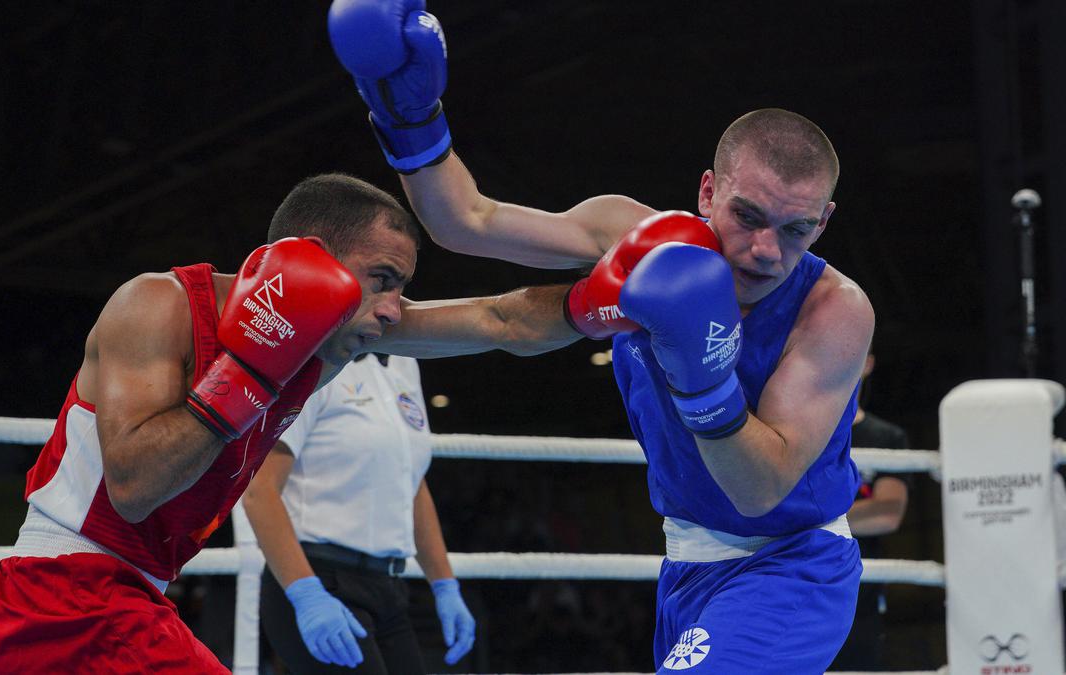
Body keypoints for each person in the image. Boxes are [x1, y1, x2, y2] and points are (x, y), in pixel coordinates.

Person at [327, 4, 875, 672]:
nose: (765, 251)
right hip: (687, 566)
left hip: (793, 565)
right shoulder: (633, 234)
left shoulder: (835, 311)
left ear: (825, 221)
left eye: (797, 228)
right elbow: (468, 224)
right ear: (708, 191)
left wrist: (698, 372)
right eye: (748, 215)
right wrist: (409, 116)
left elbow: (758, 489)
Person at [0, 173, 579, 673]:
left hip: (132, 597)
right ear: (315, 260)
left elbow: (502, 321)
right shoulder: (156, 304)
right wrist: (249, 374)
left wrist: (608, 301)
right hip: (62, 594)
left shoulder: (336, 339)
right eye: (383, 281)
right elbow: (134, 489)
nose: (395, 309)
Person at [241, 352, 474, 673]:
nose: (392, 307)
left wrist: (444, 584)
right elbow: (258, 491)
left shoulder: (405, 363)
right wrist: (306, 593)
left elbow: (410, 481)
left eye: (397, 297)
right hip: (318, 579)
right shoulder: (315, 363)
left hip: (389, 590)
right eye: (380, 296)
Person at [831, 349, 912, 671]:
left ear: (869, 363)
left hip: (858, 588)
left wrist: (807, 516)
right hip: (795, 572)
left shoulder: (887, 437)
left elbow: (886, 514)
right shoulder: (798, 432)